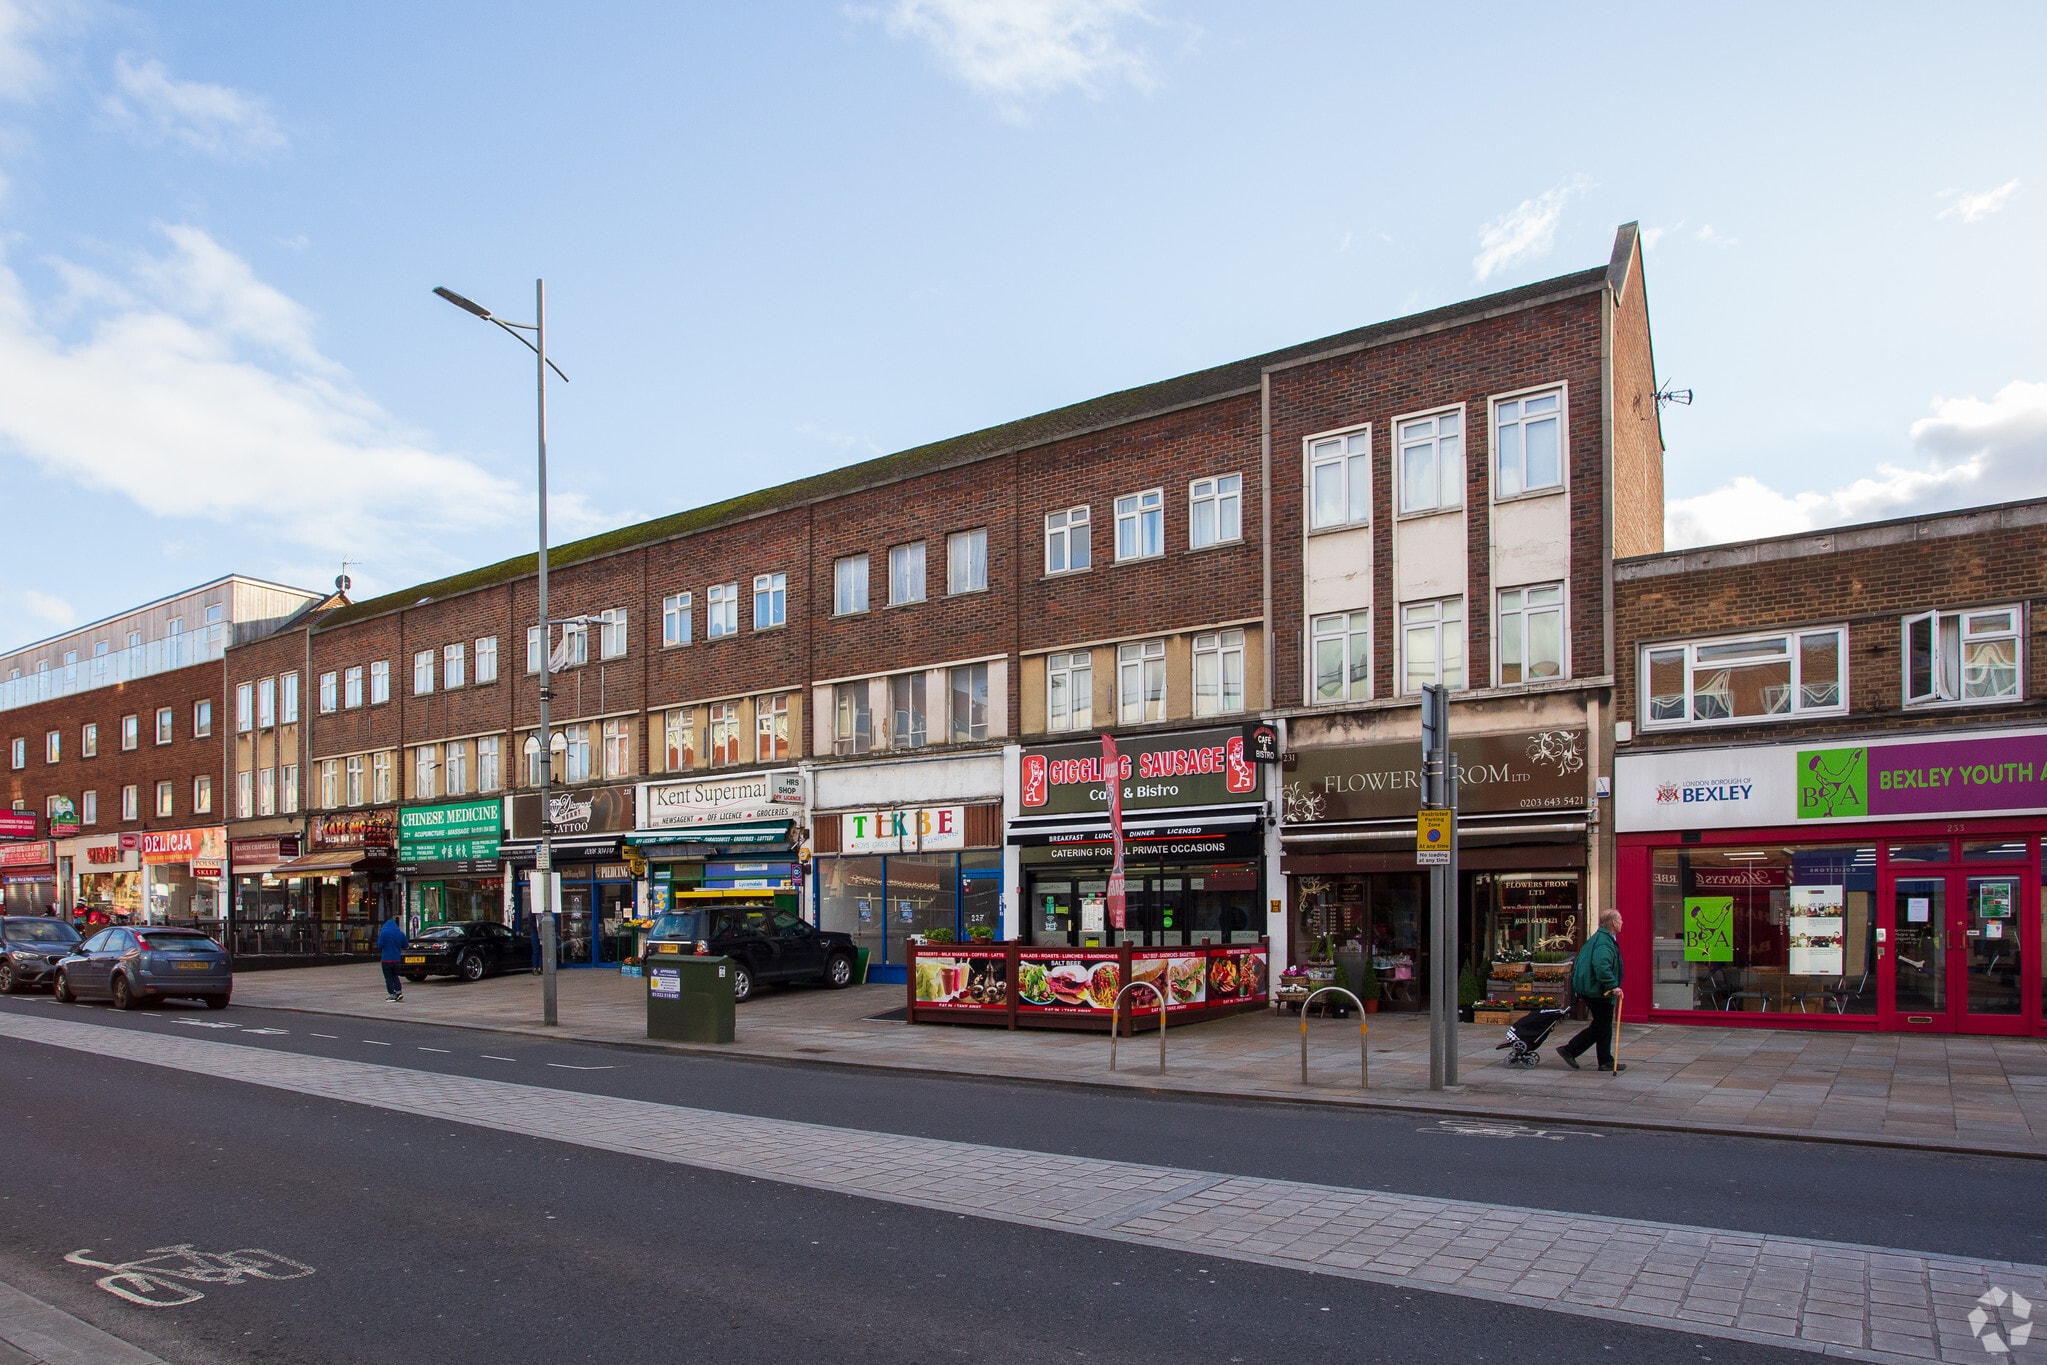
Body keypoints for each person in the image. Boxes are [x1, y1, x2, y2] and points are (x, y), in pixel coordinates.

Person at [1559, 908, 1625, 1073]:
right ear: (1614, 923)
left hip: (1594, 988)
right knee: (1601, 1025)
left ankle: (1605, 1061)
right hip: (1598, 990)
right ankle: (1570, 1050)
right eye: (1621, 920)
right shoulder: (1604, 941)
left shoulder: (1602, 938)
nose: (1622, 923)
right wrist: (1613, 985)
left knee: (1604, 1024)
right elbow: (1601, 966)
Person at [377, 913, 410, 1002]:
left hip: (386, 959)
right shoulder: (400, 934)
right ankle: (399, 992)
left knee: (388, 977)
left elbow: (379, 945)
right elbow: (406, 945)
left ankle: (392, 994)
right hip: (396, 959)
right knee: (395, 976)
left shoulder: (384, 933)